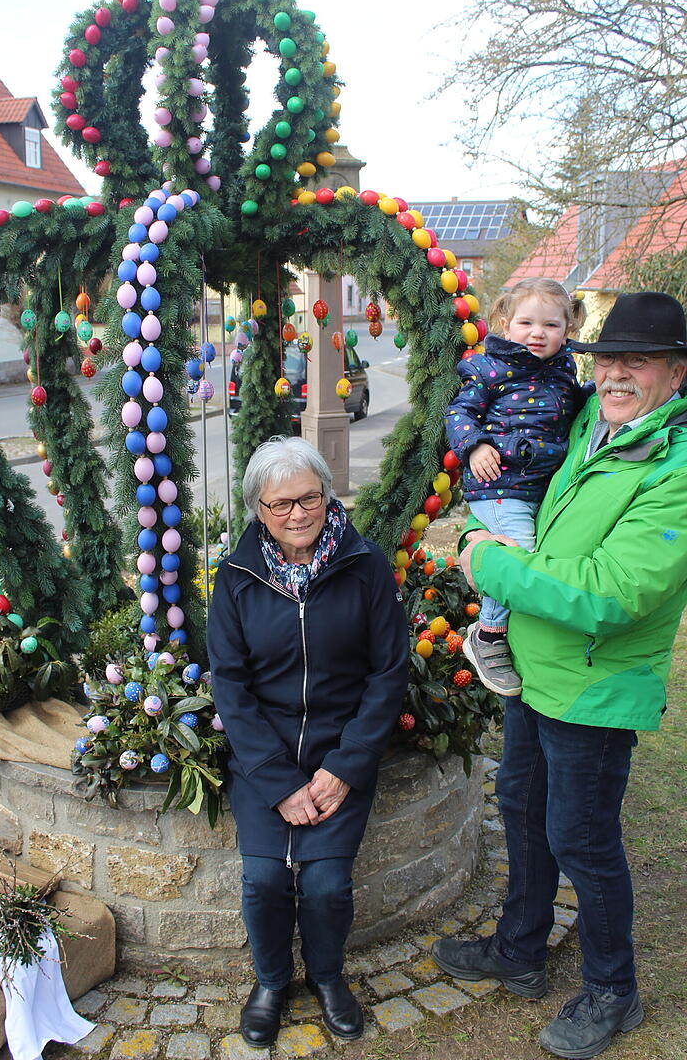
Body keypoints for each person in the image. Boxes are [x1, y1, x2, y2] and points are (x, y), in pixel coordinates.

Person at [432, 291, 687, 1059]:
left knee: (582, 837)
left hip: (596, 684)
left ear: (675, 374)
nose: (614, 374)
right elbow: (510, 474)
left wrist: (488, 560)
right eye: (607, 358)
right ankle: (521, 949)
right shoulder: (588, 424)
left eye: (635, 361)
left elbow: (608, 593)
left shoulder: (672, 470)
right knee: (520, 805)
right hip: (534, 670)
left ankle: (614, 988)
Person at [207, 436, 408, 1048]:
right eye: (280, 504)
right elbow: (231, 685)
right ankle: (270, 981)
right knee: (265, 878)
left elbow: (388, 672)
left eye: (309, 498)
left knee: (325, 884)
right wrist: (278, 780)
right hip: (263, 759)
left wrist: (344, 767)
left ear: (327, 495)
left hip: (339, 753)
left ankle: (326, 978)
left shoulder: (365, 565)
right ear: (258, 510)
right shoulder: (237, 578)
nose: (297, 514)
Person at [444, 277, 588, 696]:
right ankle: (487, 633)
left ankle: (514, 630)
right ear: (507, 324)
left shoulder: (563, 371)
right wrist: (474, 446)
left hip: (538, 487)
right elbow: (459, 412)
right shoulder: (490, 367)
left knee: (537, 550)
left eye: (551, 325)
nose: (538, 333)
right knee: (518, 551)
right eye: (526, 323)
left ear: (567, 330)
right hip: (499, 484)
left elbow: (574, 406)